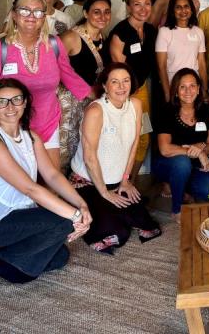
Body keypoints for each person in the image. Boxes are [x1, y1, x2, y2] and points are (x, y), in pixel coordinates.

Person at [0, 79, 92, 283]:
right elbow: (30, 189)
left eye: (16, 99)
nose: (10, 107)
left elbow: (53, 175)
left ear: (25, 103)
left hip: (15, 214)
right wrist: (75, 217)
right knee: (62, 223)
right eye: (2, 102)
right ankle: (0, 263)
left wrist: (82, 205)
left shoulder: (31, 137)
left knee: (60, 257)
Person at [0, 0, 93, 168]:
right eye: (25, 11)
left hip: (48, 122)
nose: (32, 16)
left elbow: (69, 75)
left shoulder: (53, 45)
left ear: (44, 18)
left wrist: (101, 96)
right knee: (20, 185)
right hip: (11, 126)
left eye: (38, 12)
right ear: (14, 15)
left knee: (52, 180)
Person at [69, 63, 161, 253]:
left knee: (146, 223)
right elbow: (89, 157)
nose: (121, 87)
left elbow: (135, 142)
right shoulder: (96, 111)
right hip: (89, 183)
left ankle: (114, 209)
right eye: (115, 82)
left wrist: (126, 180)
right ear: (104, 86)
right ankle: (98, 209)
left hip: (117, 181)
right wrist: (104, 192)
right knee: (115, 233)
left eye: (125, 81)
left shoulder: (136, 104)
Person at [152, 69, 209, 223]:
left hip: (194, 166)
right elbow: (165, 149)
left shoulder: (206, 110)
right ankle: (177, 208)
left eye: (192, 86)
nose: (188, 91)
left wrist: (203, 148)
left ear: (199, 89)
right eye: (183, 87)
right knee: (182, 162)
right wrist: (198, 152)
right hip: (166, 164)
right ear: (176, 91)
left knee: (208, 191)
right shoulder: (167, 111)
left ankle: (178, 187)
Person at [109, 0, 156, 180]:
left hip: (142, 90)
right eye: (137, 4)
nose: (143, 8)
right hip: (122, 94)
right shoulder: (120, 32)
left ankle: (131, 183)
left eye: (147, 3)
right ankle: (116, 182)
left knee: (144, 137)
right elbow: (118, 68)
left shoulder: (151, 30)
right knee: (122, 138)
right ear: (128, 6)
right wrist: (127, 96)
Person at [59, 0, 112, 166]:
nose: (102, 17)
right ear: (86, 13)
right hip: (69, 105)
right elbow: (53, 67)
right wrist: (84, 90)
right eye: (96, 12)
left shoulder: (104, 38)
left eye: (106, 12)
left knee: (85, 149)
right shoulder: (71, 37)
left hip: (91, 104)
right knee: (65, 149)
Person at [155, 0, 208, 101]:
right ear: (172, 11)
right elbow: (161, 66)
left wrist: (205, 90)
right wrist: (167, 93)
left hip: (193, 86)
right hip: (174, 85)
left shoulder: (198, 32)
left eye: (186, 6)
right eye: (178, 7)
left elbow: (202, 64)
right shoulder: (164, 32)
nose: (183, 10)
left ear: (192, 9)